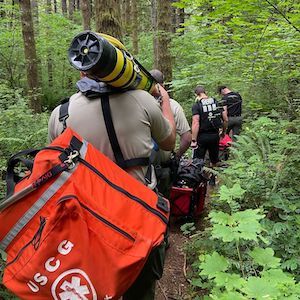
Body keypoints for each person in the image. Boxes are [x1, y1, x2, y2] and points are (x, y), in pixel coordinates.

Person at [48, 74, 176, 300]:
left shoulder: (61, 114)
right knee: (141, 288)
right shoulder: (142, 100)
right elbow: (169, 142)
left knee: (94, 285)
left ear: (81, 72)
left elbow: (56, 166)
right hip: (140, 217)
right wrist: (164, 99)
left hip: (88, 222)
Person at [149, 69, 191, 198]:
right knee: (163, 202)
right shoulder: (173, 106)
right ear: (164, 84)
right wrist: (177, 156)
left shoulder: (137, 103)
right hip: (164, 166)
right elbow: (187, 138)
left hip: (140, 169)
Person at [191, 86, 228, 185]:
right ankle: (212, 178)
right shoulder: (217, 102)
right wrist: (223, 132)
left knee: (198, 160)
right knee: (214, 159)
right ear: (205, 92)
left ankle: (198, 181)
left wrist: (193, 140)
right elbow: (225, 119)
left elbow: (196, 122)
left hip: (201, 136)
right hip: (214, 135)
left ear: (197, 95)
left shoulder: (197, 105)